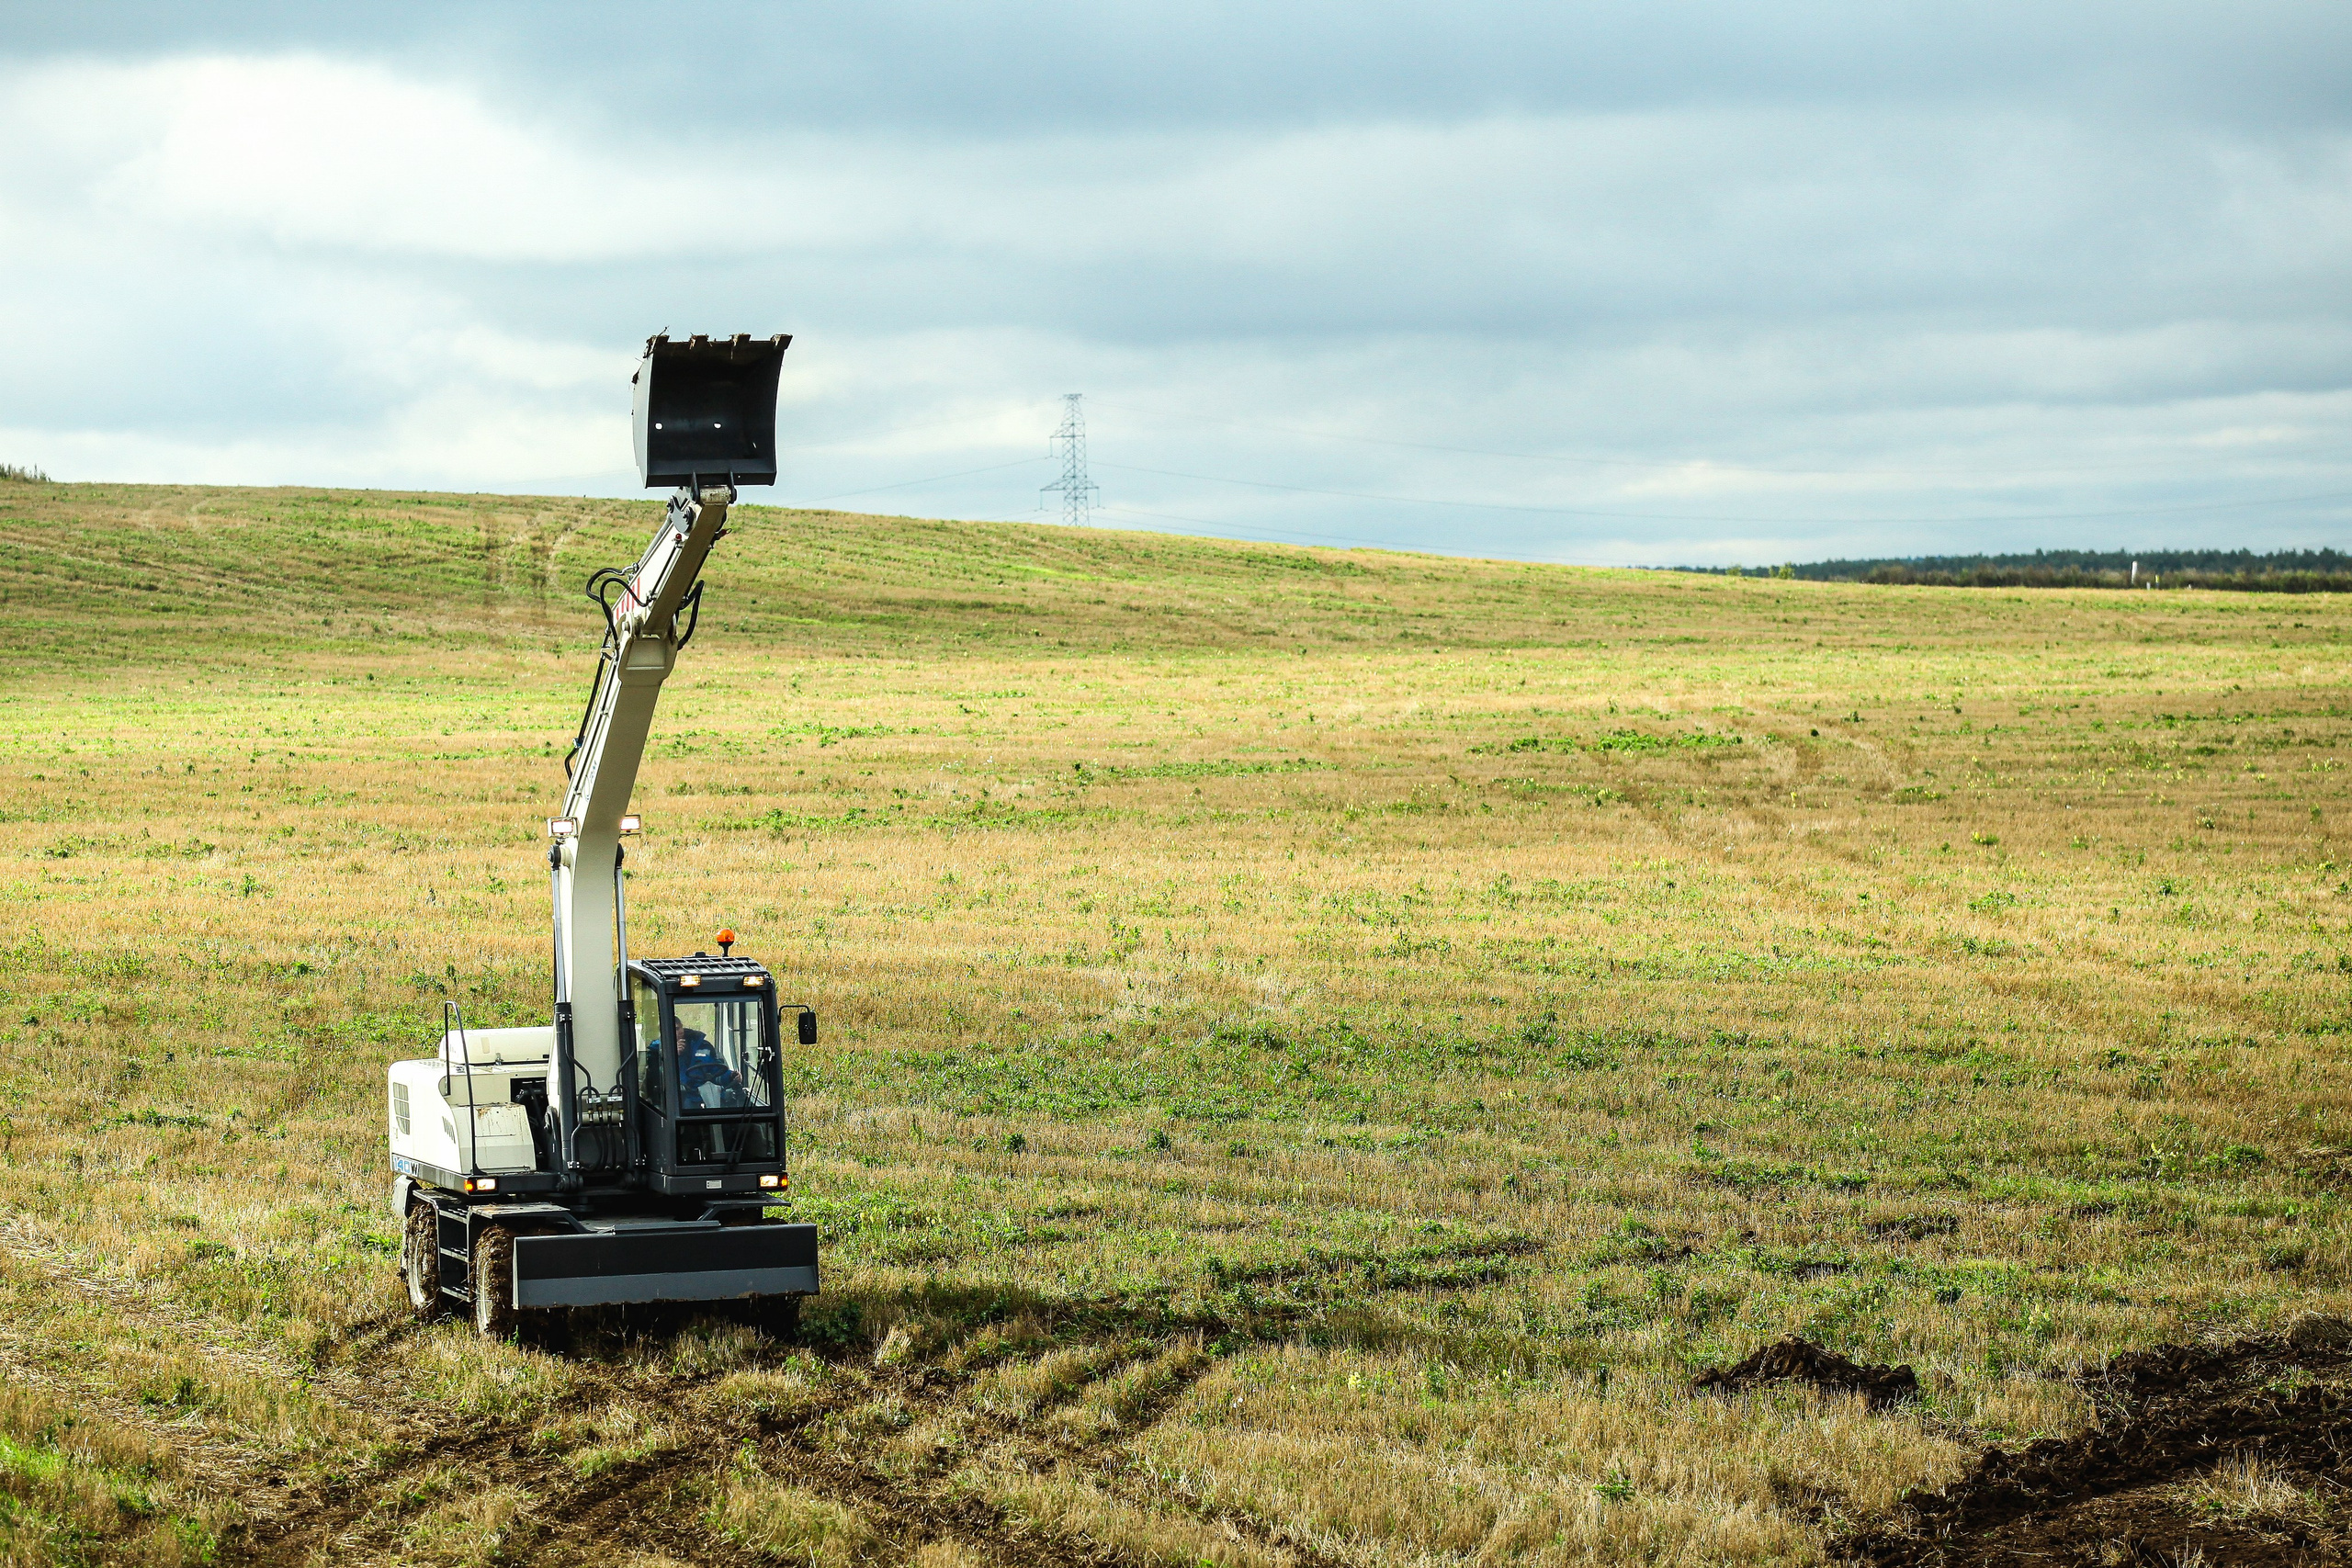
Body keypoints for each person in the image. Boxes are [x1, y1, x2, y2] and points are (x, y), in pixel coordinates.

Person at [675, 1022, 746, 1109]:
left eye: (679, 1028)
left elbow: (716, 1070)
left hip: (707, 1093)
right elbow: (662, 1076)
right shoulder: (659, 1049)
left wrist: (731, 1076)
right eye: (674, 1029)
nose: (678, 1032)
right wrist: (675, 1055)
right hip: (683, 1095)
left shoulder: (703, 1046)